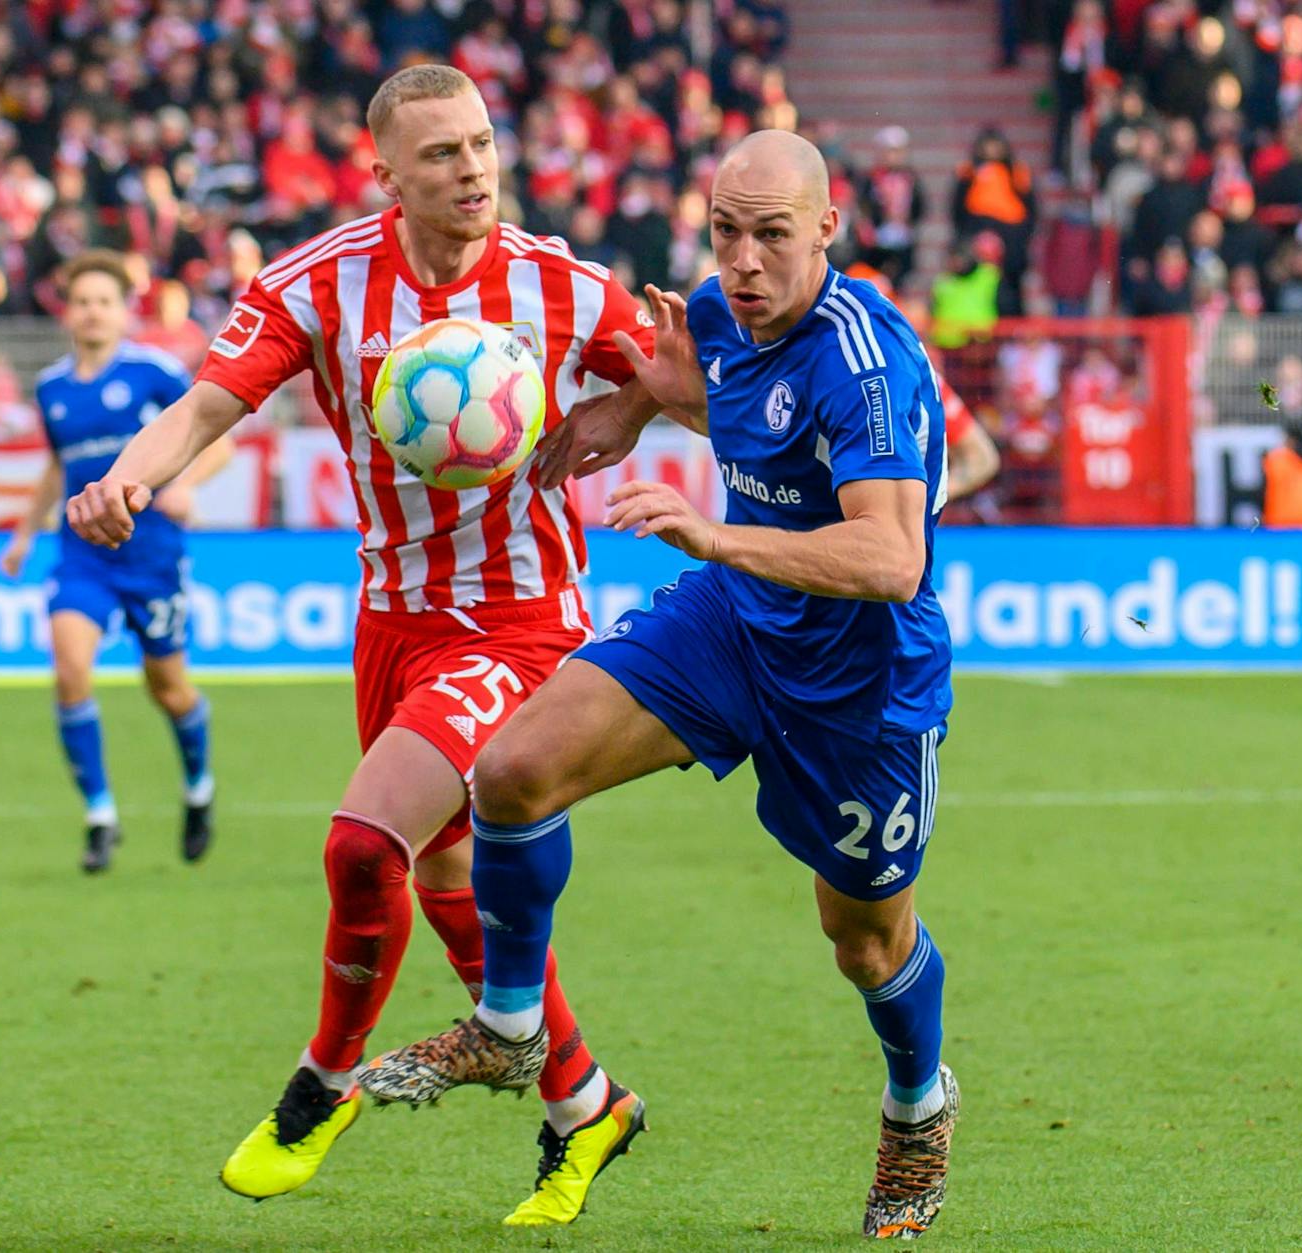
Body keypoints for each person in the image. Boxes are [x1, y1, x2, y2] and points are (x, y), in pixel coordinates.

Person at [63, 65, 657, 1227]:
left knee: (357, 843)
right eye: (440, 154)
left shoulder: (558, 286)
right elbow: (205, 404)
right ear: (381, 172)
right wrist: (123, 480)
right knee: (439, 875)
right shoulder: (319, 282)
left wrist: (633, 405)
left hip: (522, 618)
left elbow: (688, 379)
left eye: (482, 144)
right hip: (391, 618)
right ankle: (584, 1099)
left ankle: (320, 1082)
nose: (473, 169)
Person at [360, 130, 959, 1240]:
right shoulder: (721, 307)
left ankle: (916, 1103)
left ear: (826, 230)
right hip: (730, 629)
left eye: (769, 236)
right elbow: (703, 381)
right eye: (723, 231)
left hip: (857, 688)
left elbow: (890, 560)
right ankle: (507, 1021)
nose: (739, 261)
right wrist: (631, 407)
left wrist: (715, 533)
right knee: (512, 770)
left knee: (863, 942)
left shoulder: (863, 364)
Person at [0, 250, 229, 873]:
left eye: (105, 301)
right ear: (67, 311)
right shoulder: (52, 387)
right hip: (81, 556)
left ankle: (198, 786)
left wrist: (187, 486)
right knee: (70, 671)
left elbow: (216, 435)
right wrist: (23, 535)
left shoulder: (154, 372)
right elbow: (57, 467)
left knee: (169, 690)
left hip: (151, 555)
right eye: (82, 301)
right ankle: (100, 816)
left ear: (124, 311)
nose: (93, 312)